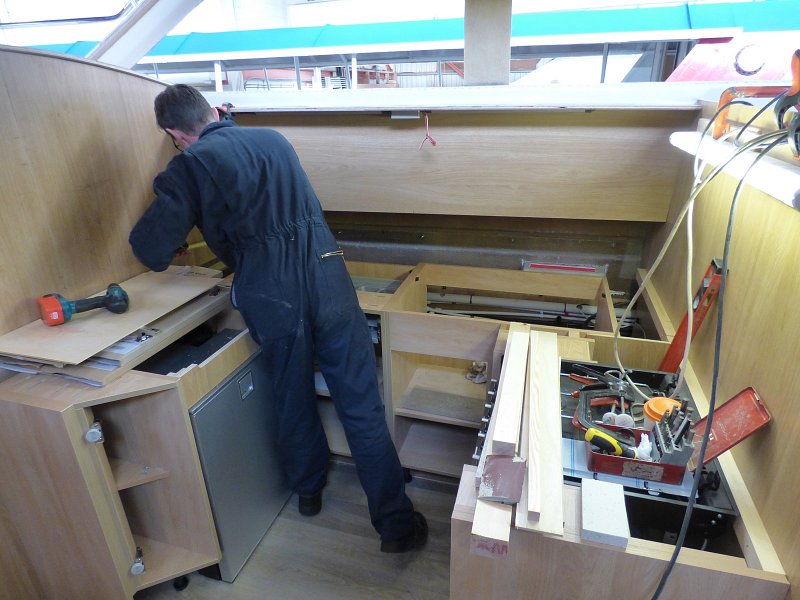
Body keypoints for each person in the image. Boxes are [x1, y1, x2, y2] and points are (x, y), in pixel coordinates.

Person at [129, 84, 427, 553]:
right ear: (214, 111)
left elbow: (149, 249)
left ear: (175, 133)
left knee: (291, 394)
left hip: (271, 291)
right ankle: (397, 526)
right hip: (328, 274)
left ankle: (308, 491)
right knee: (360, 401)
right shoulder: (273, 139)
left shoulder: (188, 166)